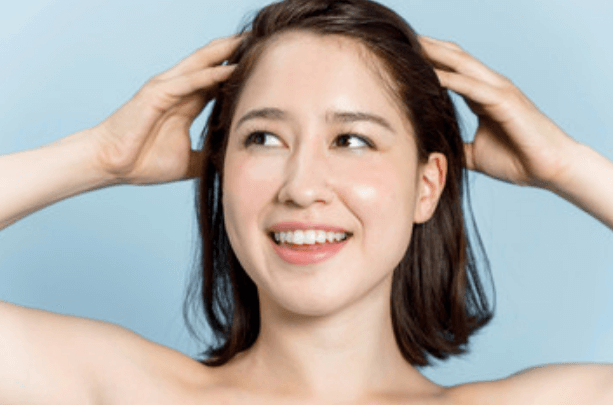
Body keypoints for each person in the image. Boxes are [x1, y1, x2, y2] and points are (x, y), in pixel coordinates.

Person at [1, 0, 612, 403]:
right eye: (263, 138)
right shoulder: (123, 391)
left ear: (427, 186)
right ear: (219, 169)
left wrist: (568, 166)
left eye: (352, 139)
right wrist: (100, 155)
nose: (301, 185)